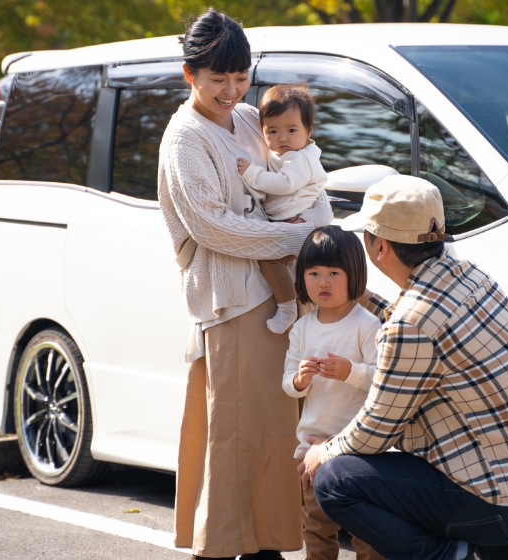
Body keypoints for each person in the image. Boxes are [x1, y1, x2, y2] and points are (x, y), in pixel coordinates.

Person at [298, 175, 508, 560]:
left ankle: (449, 557)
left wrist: (324, 452)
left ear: (379, 247)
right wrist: (365, 298)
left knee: (335, 481)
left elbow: (375, 430)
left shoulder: (410, 327)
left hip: (501, 504)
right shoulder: (471, 276)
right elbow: (422, 324)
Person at [157, 9, 333, 560]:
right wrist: (290, 240)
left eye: (240, 77)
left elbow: (294, 175)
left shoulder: (250, 119)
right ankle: (224, 547)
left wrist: (312, 230)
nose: (232, 90)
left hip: (275, 300)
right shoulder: (186, 137)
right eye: (218, 79)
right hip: (233, 303)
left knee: (275, 431)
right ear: (190, 75)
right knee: (236, 438)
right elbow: (212, 226)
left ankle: (267, 545)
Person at [281, 226, 385, 560]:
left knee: (366, 531)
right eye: (313, 273)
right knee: (316, 526)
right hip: (311, 446)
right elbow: (287, 383)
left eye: (333, 273)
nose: (322, 282)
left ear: (354, 275)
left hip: (358, 449)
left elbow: (382, 381)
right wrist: (299, 380)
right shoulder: (302, 326)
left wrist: (349, 372)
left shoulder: (366, 324)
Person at [237, 84, 328, 334]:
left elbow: (285, 184)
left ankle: (287, 308)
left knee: (271, 259)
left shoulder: (299, 158)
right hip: (291, 221)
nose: (282, 137)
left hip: (298, 224)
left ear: (309, 130)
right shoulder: (286, 154)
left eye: (291, 129)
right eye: (272, 131)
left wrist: (251, 174)